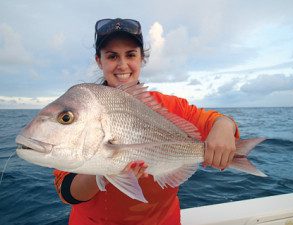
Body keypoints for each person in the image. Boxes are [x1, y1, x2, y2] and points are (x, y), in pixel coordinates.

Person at [54, 18, 239, 225]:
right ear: (99, 60)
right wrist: (105, 171)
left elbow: (215, 122)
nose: (122, 65)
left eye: (131, 54)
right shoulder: (79, 106)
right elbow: (67, 192)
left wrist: (224, 125)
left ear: (141, 58)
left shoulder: (170, 106)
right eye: (112, 56)